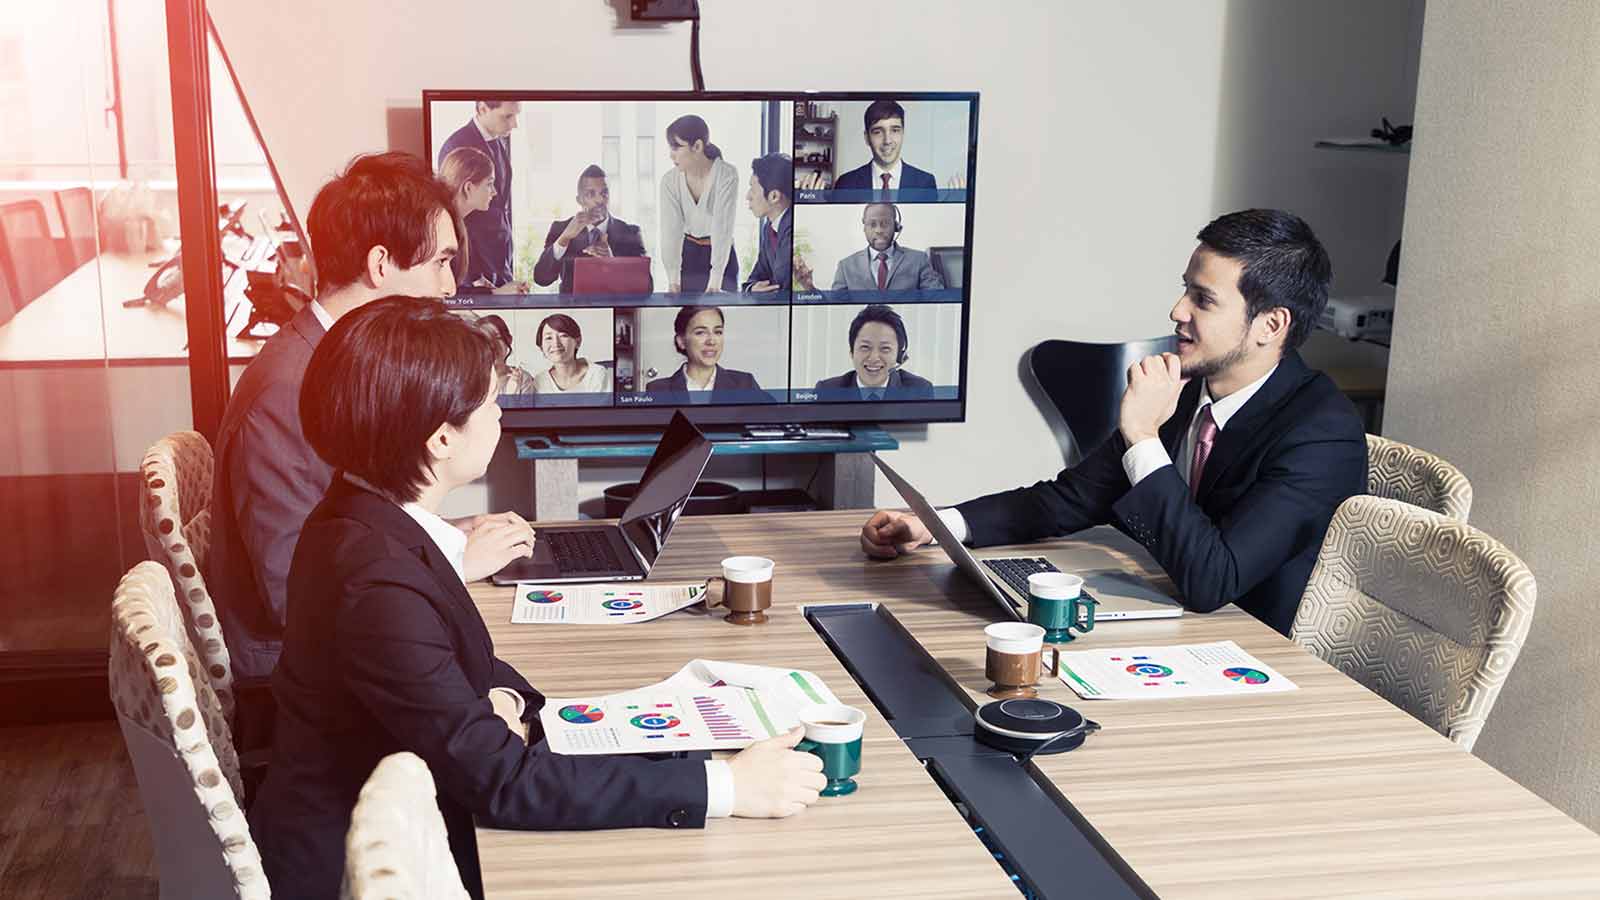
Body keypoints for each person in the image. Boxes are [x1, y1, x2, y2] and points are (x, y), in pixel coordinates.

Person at [249, 298, 825, 900]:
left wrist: (502, 706)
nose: (500, 416)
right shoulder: (374, 579)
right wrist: (726, 787)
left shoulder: (362, 516)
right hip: (363, 866)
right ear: (441, 438)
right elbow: (501, 781)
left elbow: (455, 682)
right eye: (490, 402)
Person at [859, 209, 1367, 637]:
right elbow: (1071, 498)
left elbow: (1213, 580)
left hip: (1252, 657)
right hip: (1173, 629)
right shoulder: (1189, 390)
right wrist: (939, 525)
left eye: (1203, 300)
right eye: (1184, 290)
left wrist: (1144, 437)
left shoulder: (1320, 432)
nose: (1177, 311)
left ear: (1271, 325)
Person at [438, 99, 520, 288]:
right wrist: (474, 277)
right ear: (482, 108)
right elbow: (459, 216)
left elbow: (500, 208)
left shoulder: (499, 141)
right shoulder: (458, 144)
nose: (514, 124)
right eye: (508, 116)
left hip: (498, 262)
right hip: (475, 268)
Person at [532, 165, 648, 294]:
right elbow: (541, 279)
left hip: (617, 311)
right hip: (574, 311)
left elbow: (647, 287)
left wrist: (613, 262)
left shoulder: (630, 232)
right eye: (590, 194)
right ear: (579, 200)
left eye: (604, 193)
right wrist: (564, 239)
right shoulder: (561, 230)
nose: (600, 200)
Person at [659, 115, 740, 293]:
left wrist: (716, 280)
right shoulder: (669, 181)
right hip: (689, 255)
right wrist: (673, 280)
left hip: (722, 255)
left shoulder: (726, 175)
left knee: (725, 315)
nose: (671, 154)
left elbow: (722, 228)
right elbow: (670, 231)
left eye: (676, 147)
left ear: (697, 146)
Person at [796, 203, 944, 297]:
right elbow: (833, 306)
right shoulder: (846, 266)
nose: (879, 230)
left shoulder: (918, 259)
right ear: (864, 228)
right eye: (872, 225)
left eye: (885, 224)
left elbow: (938, 297)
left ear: (896, 227)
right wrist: (810, 288)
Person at [437, 146, 527, 294]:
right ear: (468, 188)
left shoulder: (457, 223)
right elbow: (445, 293)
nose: (494, 192)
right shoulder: (442, 228)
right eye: (489, 184)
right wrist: (496, 293)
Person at [814, 304, 934, 400]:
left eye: (885, 348)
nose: (874, 358)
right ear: (852, 352)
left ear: (899, 356)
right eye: (865, 347)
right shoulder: (826, 391)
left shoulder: (920, 390)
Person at [645, 305, 761, 401]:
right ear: (681, 341)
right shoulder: (657, 389)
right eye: (700, 333)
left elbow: (773, 421)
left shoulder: (745, 384)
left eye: (718, 332)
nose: (711, 341)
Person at [824, 99, 938, 193]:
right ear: (867, 138)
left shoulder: (925, 183)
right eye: (878, 132)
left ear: (903, 133)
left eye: (895, 130)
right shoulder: (845, 184)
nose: (887, 140)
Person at [742, 152, 793, 294]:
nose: (748, 196)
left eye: (752, 188)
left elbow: (782, 286)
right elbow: (756, 277)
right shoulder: (769, 228)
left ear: (774, 196)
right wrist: (752, 288)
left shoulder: (794, 229)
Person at [530, 312, 612, 394]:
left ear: (578, 341)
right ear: (541, 347)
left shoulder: (597, 375)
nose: (556, 343)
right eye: (549, 338)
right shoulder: (539, 381)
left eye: (563, 335)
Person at [474, 313, 537, 394]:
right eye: (486, 339)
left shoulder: (523, 379)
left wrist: (512, 394)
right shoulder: (469, 381)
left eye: (498, 337)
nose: (493, 345)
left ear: (509, 340)